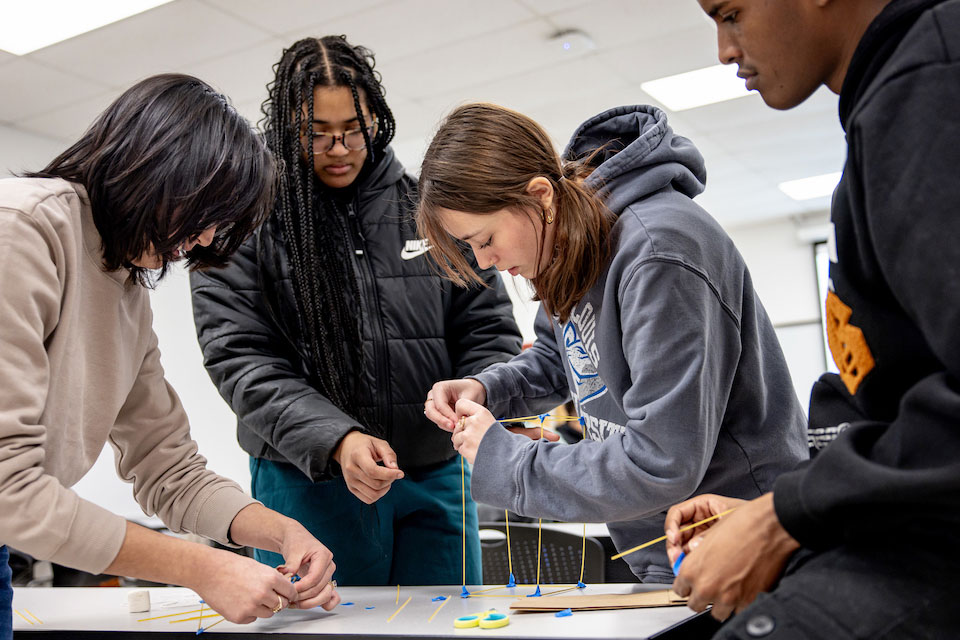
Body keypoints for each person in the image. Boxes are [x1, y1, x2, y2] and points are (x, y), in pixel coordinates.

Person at [0, 74, 341, 639]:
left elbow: (168, 468)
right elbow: (8, 487)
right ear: (154, 166)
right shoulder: (23, 232)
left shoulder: (123, 288)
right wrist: (199, 567)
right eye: (207, 213)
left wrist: (280, 533)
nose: (206, 239)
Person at [663, 0, 960, 636]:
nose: (724, 49)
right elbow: (885, 400)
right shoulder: (887, 107)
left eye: (733, 13)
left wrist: (787, 516)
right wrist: (779, 507)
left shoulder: (932, 85)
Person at [419, 102, 808, 583]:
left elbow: (662, 459)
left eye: (486, 238)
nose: (484, 261)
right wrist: (487, 389)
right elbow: (561, 359)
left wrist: (505, 459)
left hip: (743, 547)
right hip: (663, 550)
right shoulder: (570, 245)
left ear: (540, 196)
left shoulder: (658, 251)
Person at [190, 37, 521, 587]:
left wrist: (478, 394)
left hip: (433, 473)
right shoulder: (241, 226)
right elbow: (239, 360)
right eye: (316, 133)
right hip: (306, 479)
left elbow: (488, 328)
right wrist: (337, 440)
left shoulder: (431, 212)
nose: (338, 147)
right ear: (285, 128)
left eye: (353, 128)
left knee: (447, 626)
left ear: (377, 118)